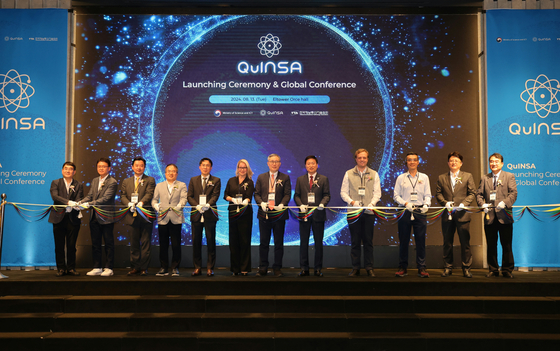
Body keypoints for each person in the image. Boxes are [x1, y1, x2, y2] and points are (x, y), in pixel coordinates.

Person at [340, 149, 381, 277]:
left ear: (367, 159)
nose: (362, 160)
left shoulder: (374, 174)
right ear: (356, 159)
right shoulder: (348, 174)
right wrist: (352, 202)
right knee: (355, 241)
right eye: (359, 158)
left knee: (368, 241)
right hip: (353, 213)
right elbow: (343, 193)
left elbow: (377, 193)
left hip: (369, 212)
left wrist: (372, 204)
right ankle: (356, 267)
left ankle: (369, 267)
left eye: (364, 158)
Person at [476, 153, 518, 278]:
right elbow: (479, 194)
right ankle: (493, 269)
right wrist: (482, 204)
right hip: (490, 217)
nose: (493, 163)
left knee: (507, 244)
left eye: (496, 161)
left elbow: (513, 193)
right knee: (491, 244)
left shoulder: (509, 176)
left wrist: (504, 203)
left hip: (504, 216)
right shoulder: (485, 178)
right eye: (491, 161)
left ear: (502, 163)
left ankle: (507, 270)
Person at [435, 151, 476, 278]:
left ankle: (466, 268)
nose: (453, 163)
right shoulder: (442, 177)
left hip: (463, 215)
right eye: (451, 161)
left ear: (461, 164)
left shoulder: (468, 176)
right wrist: (444, 202)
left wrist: (464, 203)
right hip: (447, 215)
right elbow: (438, 193)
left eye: (456, 161)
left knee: (465, 242)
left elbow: (472, 193)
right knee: (447, 242)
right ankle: (448, 267)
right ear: (448, 163)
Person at [393, 152, 432, 278]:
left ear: (418, 162)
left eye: (414, 160)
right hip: (404, 211)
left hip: (420, 211)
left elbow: (428, 195)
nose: (412, 162)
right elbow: (396, 196)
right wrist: (405, 203)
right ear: (406, 162)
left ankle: (421, 267)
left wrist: (426, 205)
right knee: (403, 240)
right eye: (409, 160)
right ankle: (402, 267)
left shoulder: (424, 177)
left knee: (420, 240)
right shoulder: (401, 178)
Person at [254, 154, 291, 277]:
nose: (274, 163)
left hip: (279, 214)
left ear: (280, 163)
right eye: (272, 161)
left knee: (278, 242)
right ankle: (263, 267)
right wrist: (261, 203)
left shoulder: (285, 177)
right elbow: (256, 194)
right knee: (263, 242)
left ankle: (277, 268)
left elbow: (287, 194)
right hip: (264, 214)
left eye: (276, 161)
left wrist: (282, 204)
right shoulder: (261, 177)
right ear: (268, 163)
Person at [80, 158, 118, 277]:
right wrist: (80, 202)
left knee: (108, 243)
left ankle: (109, 267)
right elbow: (90, 195)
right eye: (99, 166)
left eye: (104, 166)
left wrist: (89, 204)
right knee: (95, 243)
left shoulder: (112, 182)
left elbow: (105, 198)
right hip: (94, 216)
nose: (101, 168)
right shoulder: (95, 180)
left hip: (106, 216)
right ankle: (97, 267)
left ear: (109, 168)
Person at [294, 155, 330, 277]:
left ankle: (318, 269)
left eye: (313, 163)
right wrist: (300, 205)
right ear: (305, 166)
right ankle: (304, 268)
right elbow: (296, 195)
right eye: (308, 163)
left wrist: (322, 204)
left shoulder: (323, 179)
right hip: (304, 215)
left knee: (318, 242)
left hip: (318, 215)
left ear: (317, 165)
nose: (311, 165)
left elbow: (327, 195)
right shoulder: (300, 179)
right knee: (303, 242)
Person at [120, 157, 156, 276]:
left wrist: (141, 203)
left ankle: (144, 268)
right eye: (137, 165)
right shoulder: (126, 181)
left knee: (146, 243)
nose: (139, 167)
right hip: (132, 216)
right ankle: (135, 267)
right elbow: (123, 196)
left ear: (144, 167)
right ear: (132, 167)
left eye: (141, 165)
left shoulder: (150, 179)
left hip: (145, 216)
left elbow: (149, 193)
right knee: (134, 244)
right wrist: (128, 203)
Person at [48, 162, 84, 277]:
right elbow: (55, 197)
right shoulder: (56, 182)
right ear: (62, 170)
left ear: (74, 172)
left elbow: (79, 198)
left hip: (73, 218)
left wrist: (77, 203)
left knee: (72, 245)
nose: (68, 171)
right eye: (66, 169)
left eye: (71, 169)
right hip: (58, 217)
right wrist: (68, 202)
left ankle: (71, 268)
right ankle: (61, 268)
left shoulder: (79, 184)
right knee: (59, 245)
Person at [187, 158, 221, 277]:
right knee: (196, 242)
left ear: (211, 168)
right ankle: (197, 267)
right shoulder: (193, 180)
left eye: (208, 165)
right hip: (196, 214)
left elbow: (215, 195)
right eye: (203, 165)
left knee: (210, 241)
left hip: (209, 214)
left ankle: (210, 268)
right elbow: (189, 196)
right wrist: (196, 206)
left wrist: (208, 205)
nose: (205, 167)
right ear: (199, 167)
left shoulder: (216, 180)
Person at [152, 164, 188, 277]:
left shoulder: (181, 185)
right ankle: (163, 267)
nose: (171, 173)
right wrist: (156, 206)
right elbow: (154, 200)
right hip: (163, 217)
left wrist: (180, 206)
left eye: (173, 171)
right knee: (163, 244)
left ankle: (175, 267)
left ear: (177, 173)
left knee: (176, 244)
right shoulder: (159, 185)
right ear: (165, 173)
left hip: (176, 217)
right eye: (169, 171)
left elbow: (184, 198)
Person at [223, 159, 255, 276]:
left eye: (244, 168)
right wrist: (232, 199)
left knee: (244, 240)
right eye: (240, 167)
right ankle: (235, 269)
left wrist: (246, 201)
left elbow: (249, 196)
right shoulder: (231, 180)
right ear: (237, 168)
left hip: (245, 214)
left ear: (247, 169)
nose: (242, 170)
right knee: (233, 241)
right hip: (232, 213)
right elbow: (225, 195)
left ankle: (244, 268)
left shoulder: (250, 182)